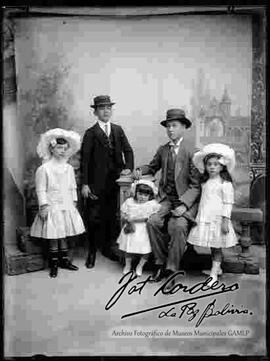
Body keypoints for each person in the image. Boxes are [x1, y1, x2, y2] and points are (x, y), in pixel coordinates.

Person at [135, 109, 200, 289]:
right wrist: (139, 171)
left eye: (175, 126)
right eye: (168, 126)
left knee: (179, 226)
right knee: (152, 222)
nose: (170, 130)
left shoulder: (192, 152)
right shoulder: (163, 150)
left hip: (185, 202)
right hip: (166, 199)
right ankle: (160, 263)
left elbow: (196, 186)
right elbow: (152, 166)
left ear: (183, 128)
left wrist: (185, 205)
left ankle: (172, 269)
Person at [81, 95, 134, 268]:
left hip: (115, 182)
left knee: (111, 216)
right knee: (93, 217)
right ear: (95, 112)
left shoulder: (118, 130)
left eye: (108, 108)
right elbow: (85, 161)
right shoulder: (90, 133)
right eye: (102, 108)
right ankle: (91, 252)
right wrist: (85, 184)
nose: (106, 111)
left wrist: (128, 168)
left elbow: (128, 150)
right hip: (96, 182)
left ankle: (108, 248)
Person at [30, 128, 85, 278]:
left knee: (64, 233)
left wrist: (73, 202)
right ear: (51, 148)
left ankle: (64, 260)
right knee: (54, 233)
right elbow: (41, 189)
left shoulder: (68, 168)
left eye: (65, 148)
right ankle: (53, 263)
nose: (62, 151)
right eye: (59, 148)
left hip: (66, 203)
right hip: (52, 204)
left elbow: (73, 186)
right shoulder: (44, 169)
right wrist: (44, 205)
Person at [187, 143, 238, 285]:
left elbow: (228, 203)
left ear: (222, 166)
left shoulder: (225, 183)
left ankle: (214, 274)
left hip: (218, 219)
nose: (212, 167)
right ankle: (217, 269)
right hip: (206, 217)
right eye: (209, 164)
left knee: (217, 247)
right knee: (212, 245)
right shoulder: (205, 182)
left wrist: (225, 221)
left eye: (216, 164)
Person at [117, 179, 161, 277]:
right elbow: (123, 212)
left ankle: (140, 266)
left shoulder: (151, 204)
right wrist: (125, 217)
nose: (142, 197)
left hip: (143, 229)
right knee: (128, 248)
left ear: (150, 196)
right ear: (135, 192)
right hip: (130, 228)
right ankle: (128, 265)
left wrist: (135, 219)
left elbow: (148, 218)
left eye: (145, 195)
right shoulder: (129, 201)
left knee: (145, 249)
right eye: (140, 194)